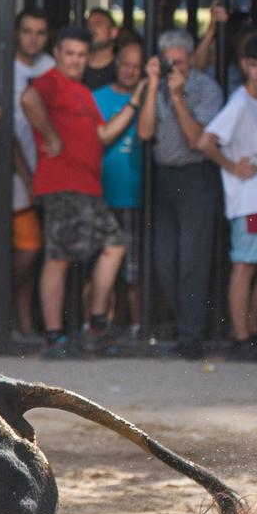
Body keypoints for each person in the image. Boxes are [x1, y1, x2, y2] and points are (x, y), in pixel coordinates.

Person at [20, 27, 139, 357]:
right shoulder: (52, 80)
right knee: (58, 257)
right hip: (62, 184)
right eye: (69, 53)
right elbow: (27, 99)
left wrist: (135, 103)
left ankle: (96, 322)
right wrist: (50, 135)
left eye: (81, 55)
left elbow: (101, 135)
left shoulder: (83, 92)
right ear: (58, 53)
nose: (75, 60)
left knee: (113, 245)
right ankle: (56, 335)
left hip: (86, 187)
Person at [197, 34, 257, 359]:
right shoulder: (239, 102)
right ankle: (241, 336)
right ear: (245, 66)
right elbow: (206, 141)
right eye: (254, 65)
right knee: (245, 267)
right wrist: (233, 166)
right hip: (248, 199)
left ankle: (248, 330)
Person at [146, 29, 225, 358]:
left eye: (179, 62)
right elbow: (145, 132)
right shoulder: (155, 85)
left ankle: (191, 336)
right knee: (164, 260)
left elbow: (197, 140)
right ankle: (180, 323)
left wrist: (178, 98)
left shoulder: (207, 89)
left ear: (192, 60)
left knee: (192, 260)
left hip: (196, 176)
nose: (173, 68)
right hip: (163, 176)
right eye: (169, 62)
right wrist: (153, 85)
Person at [91, 40, 155, 337]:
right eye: (125, 64)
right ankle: (94, 326)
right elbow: (100, 137)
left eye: (136, 66)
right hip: (102, 194)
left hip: (136, 196)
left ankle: (138, 327)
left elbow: (147, 133)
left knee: (134, 270)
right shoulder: (97, 97)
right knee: (98, 263)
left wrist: (148, 91)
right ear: (116, 65)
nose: (130, 71)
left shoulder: (152, 98)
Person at [9, 7, 54, 336]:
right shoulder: (1, 69)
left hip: (49, 173)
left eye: (39, 32)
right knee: (27, 248)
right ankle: (7, 307)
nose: (33, 38)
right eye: (27, 31)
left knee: (45, 253)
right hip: (13, 177)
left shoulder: (53, 68)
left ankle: (24, 322)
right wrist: (27, 175)